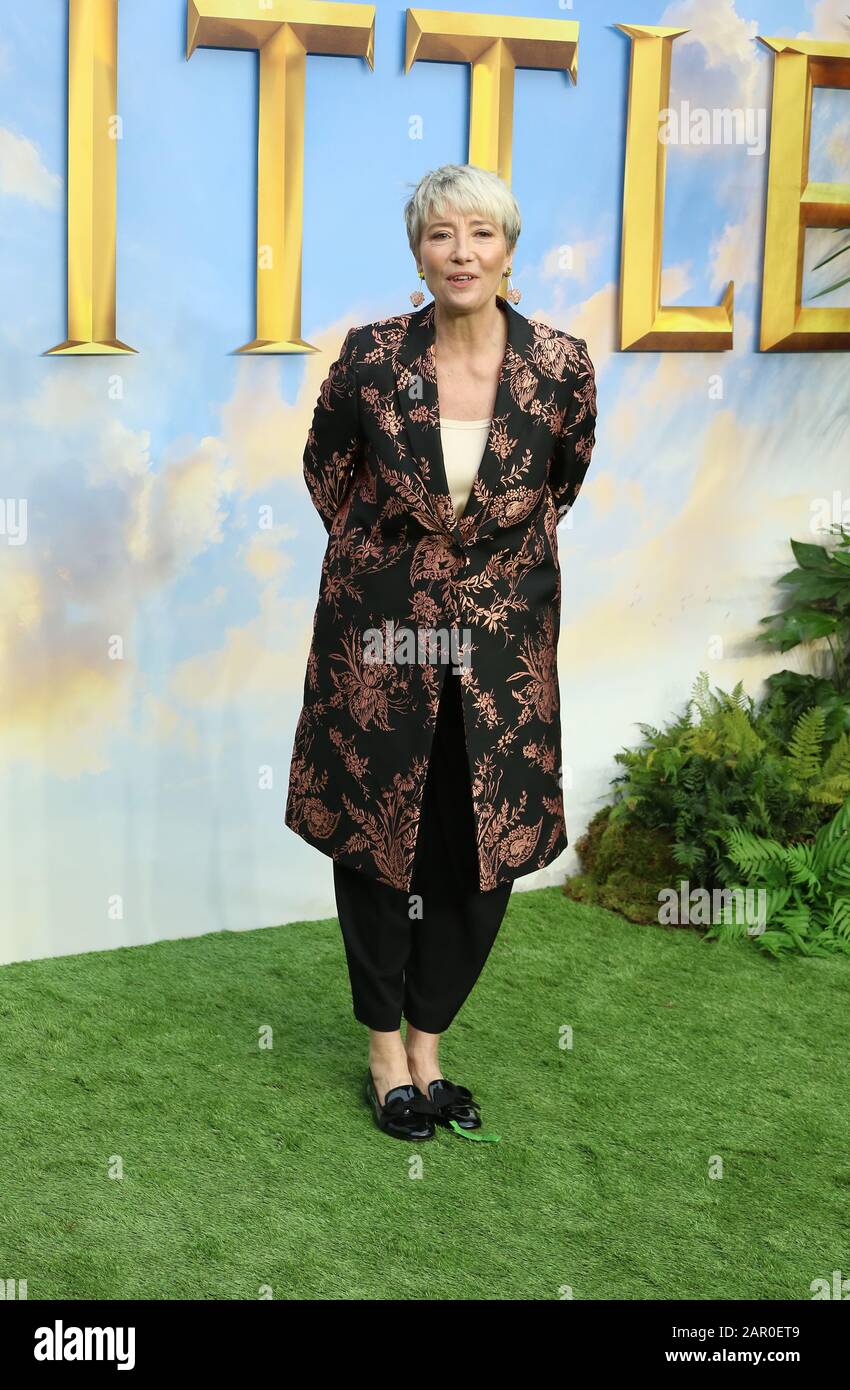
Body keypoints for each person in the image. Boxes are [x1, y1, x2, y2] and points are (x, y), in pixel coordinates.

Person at [286, 163, 598, 1140]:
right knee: (382, 842)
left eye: (480, 234)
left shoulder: (560, 364)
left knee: (480, 846)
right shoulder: (372, 358)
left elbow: (563, 477)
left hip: (502, 649)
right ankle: (385, 1050)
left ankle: (429, 1036)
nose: (459, 252)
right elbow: (328, 476)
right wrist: (400, 572)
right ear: (415, 251)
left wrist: (479, 583)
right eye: (438, 236)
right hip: (380, 641)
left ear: (508, 249)